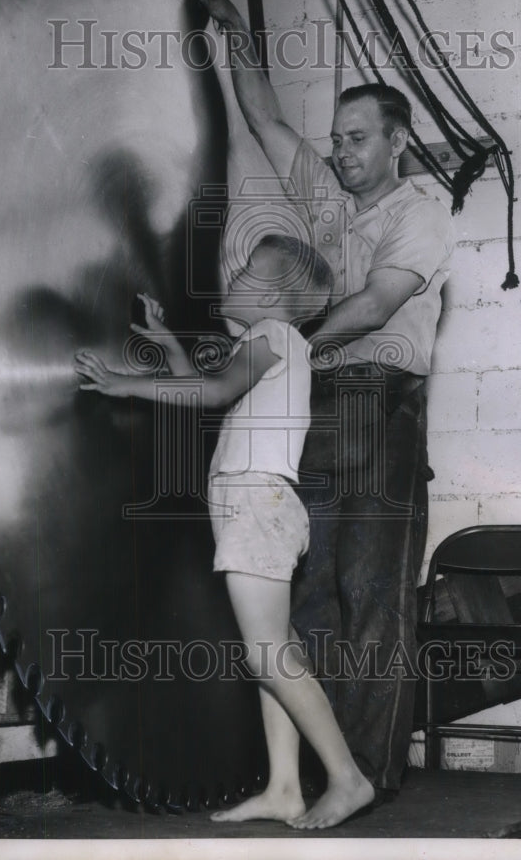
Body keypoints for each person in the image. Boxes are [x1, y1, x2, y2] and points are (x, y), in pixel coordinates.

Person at [191, 0, 455, 801]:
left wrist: (284, 344)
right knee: (307, 595)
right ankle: (303, 780)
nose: (341, 152)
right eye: (337, 139)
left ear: (398, 142)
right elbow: (267, 121)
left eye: (357, 139)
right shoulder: (332, 203)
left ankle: (369, 774)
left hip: (378, 403)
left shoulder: (423, 207)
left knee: (372, 591)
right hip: (320, 409)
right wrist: (235, 35)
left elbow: (378, 304)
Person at [74, 234, 374, 830]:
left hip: (256, 504)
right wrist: (167, 345)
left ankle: (347, 777)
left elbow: (211, 391)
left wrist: (123, 382)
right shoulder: (271, 349)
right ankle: (285, 788)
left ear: (271, 295)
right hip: (258, 505)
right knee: (274, 651)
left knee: (267, 655)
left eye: (246, 272)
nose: (232, 276)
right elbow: (213, 400)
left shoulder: (271, 337)